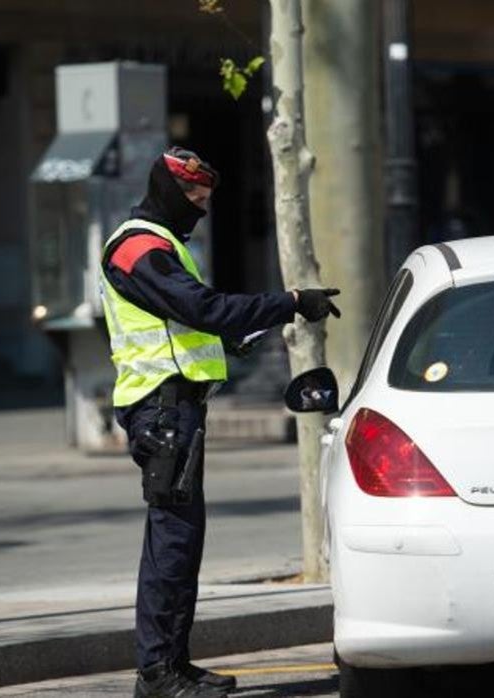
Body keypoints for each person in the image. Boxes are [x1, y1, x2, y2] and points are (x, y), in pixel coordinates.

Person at [100, 147, 339, 698]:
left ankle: (173, 666)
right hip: (161, 411)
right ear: (165, 191)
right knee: (172, 541)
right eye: (193, 199)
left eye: (207, 201)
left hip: (178, 409)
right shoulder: (140, 247)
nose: (201, 211)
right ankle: (158, 674)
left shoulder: (163, 247)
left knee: (182, 541)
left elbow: (193, 325)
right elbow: (203, 309)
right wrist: (291, 302)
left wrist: (237, 336)